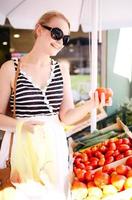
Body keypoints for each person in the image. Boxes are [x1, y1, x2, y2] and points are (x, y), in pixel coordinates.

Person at [0, 10, 112, 200]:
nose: (60, 42)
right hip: (21, 148)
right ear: (39, 30)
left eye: (65, 38)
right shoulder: (11, 68)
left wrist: (92, 104)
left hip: (54, 147)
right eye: (56, 34)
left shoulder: (61, 69)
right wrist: (22, 126)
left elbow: (65, 116)